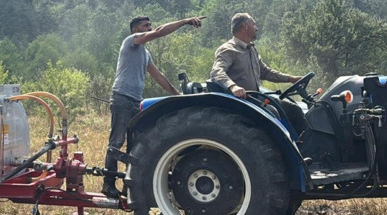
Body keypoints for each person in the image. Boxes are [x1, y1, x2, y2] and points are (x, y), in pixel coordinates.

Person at [103, 15, 205, 198]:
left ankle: (129, 187)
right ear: (135, 30)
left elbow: (158, 76)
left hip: (135, 101)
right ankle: (108, 184)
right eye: (145, 26)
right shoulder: (130, 42)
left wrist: (177, 95)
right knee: (116, 142)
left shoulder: (145, 54)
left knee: (134, 146)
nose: (150, 28)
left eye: (150, 25)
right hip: (122, 98)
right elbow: (159, 33)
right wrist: (185, 21)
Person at [210, 12, 301, 98]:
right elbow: (217, 72)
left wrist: (291, 79)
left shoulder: (252, 49)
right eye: (253, 24)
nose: (256, 28)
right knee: (274, 112)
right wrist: (233, 87)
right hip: (239, 101)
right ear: (245, 26)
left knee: (290, 107)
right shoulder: (228, 50)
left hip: (254, 98)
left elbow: (265, 72)